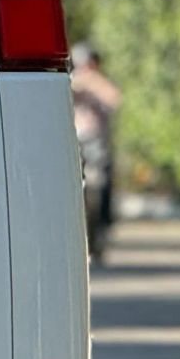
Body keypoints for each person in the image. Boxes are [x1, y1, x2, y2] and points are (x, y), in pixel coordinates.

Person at [70, 43, 122, 262]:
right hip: (74, 142)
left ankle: (98, 240)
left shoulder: (100, 83)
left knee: (99, 192)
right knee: (76, 196)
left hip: (97, 145)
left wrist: (94, 82)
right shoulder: (72, 81)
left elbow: (115, 99)